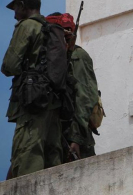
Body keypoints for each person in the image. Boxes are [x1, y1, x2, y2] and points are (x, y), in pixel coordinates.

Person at [1, 0, 63, 178]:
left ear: (22, 5)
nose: (14, 14)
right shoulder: (50, 28)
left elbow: (9, 66)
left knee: (27, 152)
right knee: (53, 154)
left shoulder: (27, 26)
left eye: (15, 8)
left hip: (32, 100)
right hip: (53, 101)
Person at [46, 12, 100, 159]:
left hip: (75, 137)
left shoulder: (77, 56)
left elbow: (85, 98)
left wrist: (76, 139)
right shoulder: (54, 59)